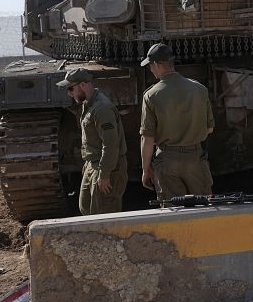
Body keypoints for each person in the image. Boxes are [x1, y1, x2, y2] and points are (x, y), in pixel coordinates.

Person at [139, 43, 215, 200]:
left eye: (151, 66)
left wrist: (146, 170)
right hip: (195, 159)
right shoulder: (200, 89)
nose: (151, 70)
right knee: (203, 211)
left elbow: (147, 139)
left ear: (157, 65)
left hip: (167, 161)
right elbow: (210, 129)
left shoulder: (151, 96)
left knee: (174, 215)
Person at [56, 68, 128, 215]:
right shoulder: (87, 105)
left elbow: (111, 145)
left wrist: (105, 174)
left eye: (71, 89)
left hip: (107, 168)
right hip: (92, 165)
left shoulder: (102, 108)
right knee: (86, 209)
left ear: (83, 85)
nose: (69, 93)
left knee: (105, 214)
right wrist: (88, 164)